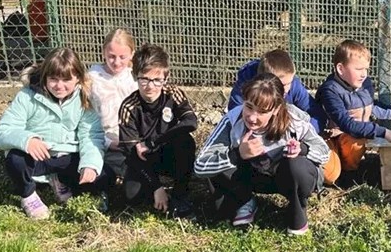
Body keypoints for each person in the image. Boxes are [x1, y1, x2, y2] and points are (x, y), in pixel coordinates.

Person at [194, 73, 330, 235]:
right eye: (249, 106)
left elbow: (324, 153)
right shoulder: (232, 120)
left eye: (262, 112)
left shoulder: (294, 119)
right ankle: (244, 201)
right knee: (217, 163)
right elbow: (200, 166)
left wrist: (303, 149)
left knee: (296, 165)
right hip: (252, 177)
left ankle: (297, 207)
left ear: (276, 109)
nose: (252, 117)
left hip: (286, 177)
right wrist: (237, 155)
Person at [0, 47, 109, 220]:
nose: (59, 86)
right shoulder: (27, 96)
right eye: (53, 79)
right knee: (15, 160)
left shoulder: (85, 99)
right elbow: (0, 133)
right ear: (45, 76)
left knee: (106, 175)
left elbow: (91, 136)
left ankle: (60, 180)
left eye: (66, 79)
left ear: (77, 78)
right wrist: (28, 140)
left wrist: (90, 164)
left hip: (67, 155)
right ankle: (29, 195)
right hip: (37, 156)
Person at [316, 39, 391, 178]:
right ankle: (337, 168)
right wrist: (384, 132)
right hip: (332, 137)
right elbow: (346, 124)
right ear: (340, 69)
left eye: (366, 69)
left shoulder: (364, 83)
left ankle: (350, 173)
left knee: (356, 141)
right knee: (330, 174)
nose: (364, 74)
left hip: (353, 138)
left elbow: (371, 105)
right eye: (359, 69)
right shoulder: (330, 90)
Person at [117, 44, 198, 218]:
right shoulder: (129, 107)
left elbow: (191, 122)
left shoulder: (172, 93)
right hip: (144, 161)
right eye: (144, 79)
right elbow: (131, 152)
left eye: (157, 80)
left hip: (168, 153)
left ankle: (179, 195)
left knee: (185, 141)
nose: (150, 86)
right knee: (132, 195)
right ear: (135, 76)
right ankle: (157, 193)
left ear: (165, 77)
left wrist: (153, 142)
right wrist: (156, 186)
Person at [88, 28, 138, 188]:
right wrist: (109, 141)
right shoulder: (92, 78)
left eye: (122, 57)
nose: (116, 62)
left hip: (132, 138)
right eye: (111, 56)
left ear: (132, 54)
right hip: (103, 140)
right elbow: (88, 118)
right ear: (103, 52)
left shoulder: (135, 78)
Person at [229, 49, 324, 131]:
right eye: (283, 85)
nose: (287, 89)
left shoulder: (293, 85)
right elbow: (234, 116)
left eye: (290, 82)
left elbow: (317, 115)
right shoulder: (245, 86)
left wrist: (299, 134)